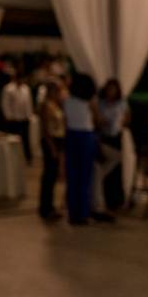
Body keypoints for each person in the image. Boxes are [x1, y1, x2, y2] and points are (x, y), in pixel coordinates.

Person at [92, 78, 130, 222]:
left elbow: (127, 117)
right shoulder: (101, 103)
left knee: (115, 170)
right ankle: (102, 200)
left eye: (113, 89)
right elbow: (97, 119)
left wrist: (121, 123)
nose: (111, 91)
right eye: (109, 89)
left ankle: (114, 202)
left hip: (115, 137)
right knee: (105, 166)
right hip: (104, 137)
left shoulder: (121, 103)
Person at [63, 73, 98, 225]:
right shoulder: (89, 102)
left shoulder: (66, 100)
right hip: (86, 137)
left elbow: (65, 120)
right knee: (85, 177)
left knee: (72, 176)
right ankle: (83, 213)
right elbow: (97, 120)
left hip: (71, 136)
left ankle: (73, 213)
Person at [38, 81, 66, 221]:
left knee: (53, 175)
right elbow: (45, 129)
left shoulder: (56, 104)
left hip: (58, 140)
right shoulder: (46, 105)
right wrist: (52, 147)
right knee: (49, 175)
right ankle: (45, 208)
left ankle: (50, 206)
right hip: (51, 141)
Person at [0, 70, 34, 163]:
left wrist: (29, 115)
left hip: (24, 117)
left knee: (26, 139)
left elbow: (28, 103)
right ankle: (14, 158)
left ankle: (27, 158)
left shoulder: (26, 88)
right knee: (14, 139)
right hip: (13, 118)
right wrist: (8, 116)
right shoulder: (8, 88)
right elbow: (5, 103)